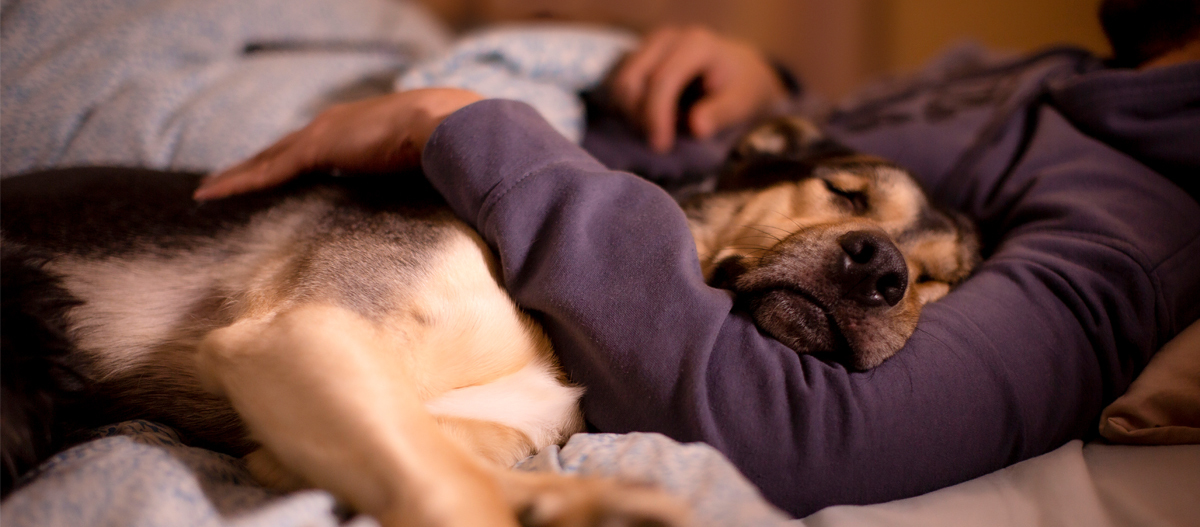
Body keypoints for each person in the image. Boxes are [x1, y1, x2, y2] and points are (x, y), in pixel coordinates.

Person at [192, 1, 1200, 517]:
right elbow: (770, 174)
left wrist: (472, 128)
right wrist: (765, 89)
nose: (890, 266)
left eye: (925, 277)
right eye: (856, 205)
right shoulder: (1049, 70)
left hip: (446, 185)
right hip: (461, 163)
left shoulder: (1146, 222)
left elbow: (813, 434)